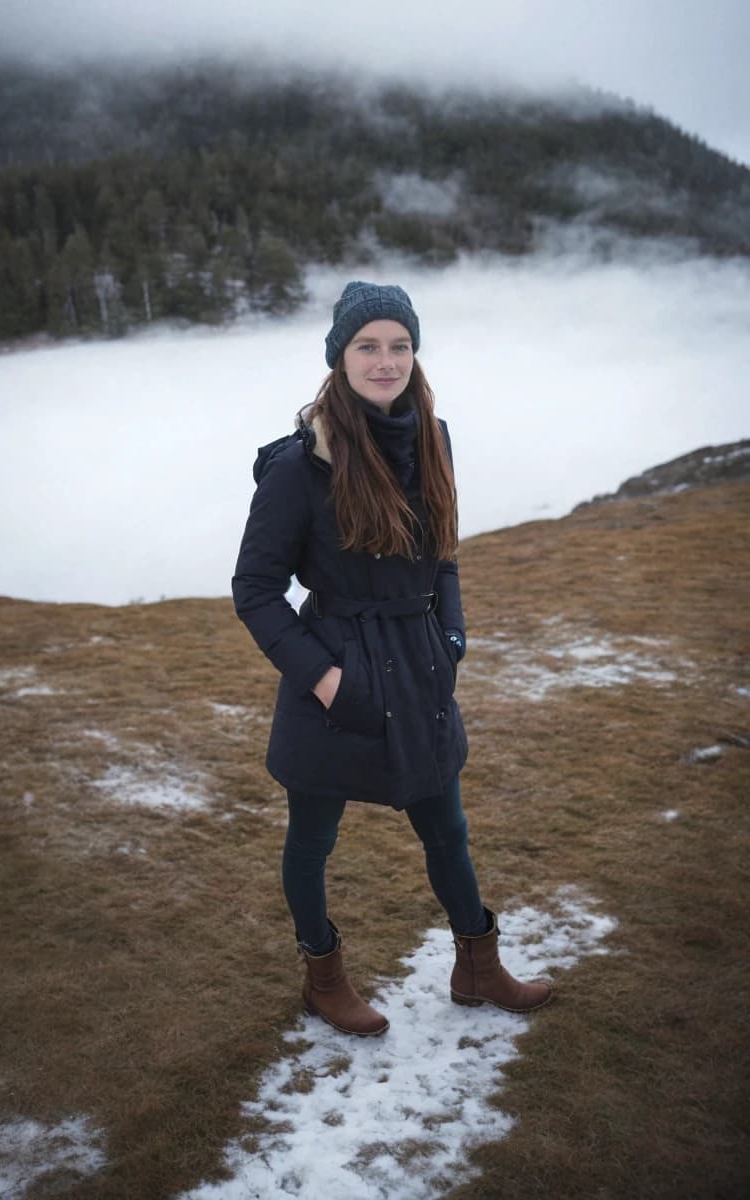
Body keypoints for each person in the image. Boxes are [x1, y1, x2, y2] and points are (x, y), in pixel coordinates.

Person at [232, 281, 551, 1037]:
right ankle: (324, 977)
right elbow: (255, 591)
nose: (386, 360)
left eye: (399, 345)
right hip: (335, 674)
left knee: (448, 829)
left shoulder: (433, 436)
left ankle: (478, 966)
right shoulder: (298, 466)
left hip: (419, 668)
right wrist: (327, 679)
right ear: (339, 358)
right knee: (311, 840)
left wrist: (453, 636)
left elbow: (442, 550)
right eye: (367, 346)